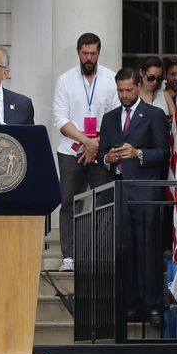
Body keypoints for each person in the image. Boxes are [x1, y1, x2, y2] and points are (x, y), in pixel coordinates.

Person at [97, 67, 170, 324]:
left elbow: (163, 153)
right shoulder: (109, 118)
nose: (124, 95)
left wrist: (137, 153)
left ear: (139, 86)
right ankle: (129, 304)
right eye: (120, 91)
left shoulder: (155, 115)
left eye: (128, 90)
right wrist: (108, 157)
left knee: (148, 251)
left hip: (146, 192)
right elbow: (100, 154)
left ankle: (152, 306)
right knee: (124, 250)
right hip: (118, 193)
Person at [52, 33, 120, 272]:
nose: (89, 58)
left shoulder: (111, 78)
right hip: (70, 150)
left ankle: (98, 254)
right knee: (68, 202)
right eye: (85, 53)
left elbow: (115, 118)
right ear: (78, 52)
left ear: (99, 53)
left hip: (101, 152)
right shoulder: (65, 80)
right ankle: (68, 256)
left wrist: (96, 145)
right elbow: (60, 118)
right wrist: (86, 142)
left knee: (104, 202)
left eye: (93, 53)